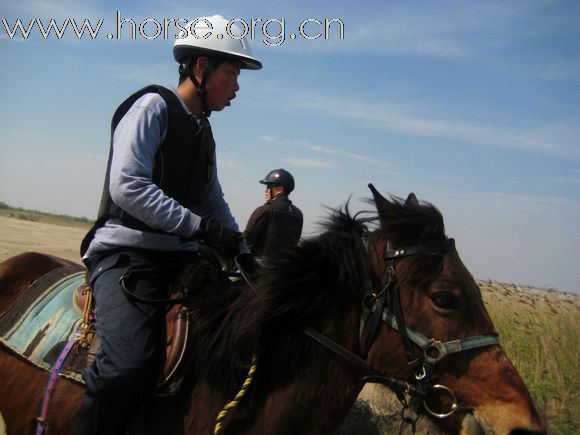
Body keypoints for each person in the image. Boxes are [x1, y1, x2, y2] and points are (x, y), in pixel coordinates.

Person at [77, 15, 261, 434]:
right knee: (126, 365)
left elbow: (213, 200)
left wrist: (244, 253)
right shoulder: (152, 108)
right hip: (128, 255)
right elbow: (127, 187)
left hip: (181, 258)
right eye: (232, 74)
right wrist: (199, 229)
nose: (236, 87)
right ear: (201, 68)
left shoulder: (203, 132)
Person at [243, 168, 303, 258]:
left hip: (261, 264)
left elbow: (247, 238)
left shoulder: (266, 209)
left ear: (279, 189)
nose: (266, 191)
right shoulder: (299, 214)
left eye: (269, 187)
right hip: (286, 266)